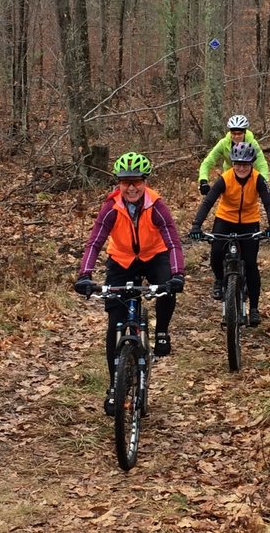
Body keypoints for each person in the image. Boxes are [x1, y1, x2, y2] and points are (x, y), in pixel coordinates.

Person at [73, 152, 185, 415]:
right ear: (119, 184)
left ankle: (161, 332)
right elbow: (95, 242)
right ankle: (114, 385)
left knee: (167, 286)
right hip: (122, 261)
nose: (131, 187)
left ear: (144, 182)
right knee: (115, 324)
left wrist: (178, 274)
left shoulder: (156, 205)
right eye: (126, 182)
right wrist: (84, 275)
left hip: (154, 256)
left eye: (136, 181)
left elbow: (172, 242)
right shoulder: (111, 207)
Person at [189, 142, 270, 326]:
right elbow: (208, 202)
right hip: (225, 219)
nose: (241, 168)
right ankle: (220, 279)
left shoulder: (258, 179)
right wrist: (196, 226)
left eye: (245, 165)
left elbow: (269, 203)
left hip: (249, 222)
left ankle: (253, 308)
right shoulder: (225, 178)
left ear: (251, 164)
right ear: (232, 163)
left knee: (251, 264)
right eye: (237, 164)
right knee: (215, 253)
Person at [197, 114, 270, 195]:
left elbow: (261, 164)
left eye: (239, 133)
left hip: (247, 174)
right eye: (233, 133)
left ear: (245, 132)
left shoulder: (252, 143)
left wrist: (264, 182)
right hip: (229, 174)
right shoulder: (223, 143)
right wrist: (203, 181)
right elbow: (208, 162)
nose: (236, 136)